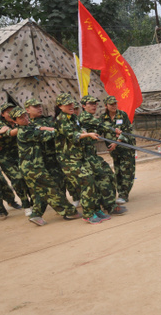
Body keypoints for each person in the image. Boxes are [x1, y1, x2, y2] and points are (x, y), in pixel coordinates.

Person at [10, 107, 81, 226]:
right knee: (52, 188)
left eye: (25, 115)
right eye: (21, 118)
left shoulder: (28, 126)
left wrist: (47, 127)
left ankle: (36, 215)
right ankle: (69, 212)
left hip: (33, 167)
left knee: (39, 192)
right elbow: (46, 135)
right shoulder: (25, 132)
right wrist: (59, 130)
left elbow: (38, 127)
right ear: (15, 122)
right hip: (33, 168)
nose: (25, 118)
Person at [54, 93, 104, 224]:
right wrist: (88, 134)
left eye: (71, 103)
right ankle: (88, 214)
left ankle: (95, 209)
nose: (71, 106)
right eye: (67, 104)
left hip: (78, 156)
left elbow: (79, 130)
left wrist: (85, 133)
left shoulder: (72, 117)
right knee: (86, 181)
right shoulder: (61, 119)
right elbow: (72, 135)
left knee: (92, 180)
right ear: (60, 106)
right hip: (68, 159)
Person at [79, 95, 127, 216]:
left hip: (91, 154)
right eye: (90, 104)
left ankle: (108, 204)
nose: (94, 106)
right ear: (84, 106)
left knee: (107, 176)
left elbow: (99, 128)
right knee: (104, 177)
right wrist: (114, 130)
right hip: (86, 156)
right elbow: (101, 125)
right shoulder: (85, 117)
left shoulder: (89, 117)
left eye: (95, 103)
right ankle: (109, 206)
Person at [100, 95, 136, 204]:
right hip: (114, 151)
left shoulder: (122, 115)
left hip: (126, 147)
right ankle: (120, 191)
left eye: (115, 103)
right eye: (111, 104)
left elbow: (127, 131)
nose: (114, 106)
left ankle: (124, 195)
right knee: (118, 171)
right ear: (106, 105)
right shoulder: (103, 118)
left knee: (127, 171)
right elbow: (100, 129)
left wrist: (117, 142)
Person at [0, 102, 27, 211]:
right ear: (3, 114)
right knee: (17, 178)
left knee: (26, 176)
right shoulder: (1, 124)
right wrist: (25, 125)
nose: (10, 113)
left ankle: (31, 200)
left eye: (12, 110)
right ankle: (24, 201)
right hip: (5, 156)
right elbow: (10, 133)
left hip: (19, 154)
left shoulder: (19, 121)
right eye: (7, 111)